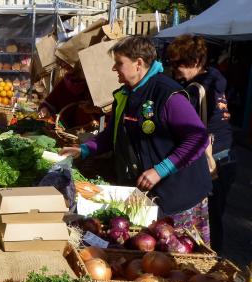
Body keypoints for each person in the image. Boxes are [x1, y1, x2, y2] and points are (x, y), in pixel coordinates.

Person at [61, 36, 213, 243]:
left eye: (119, 62)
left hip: (180, 194)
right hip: (149, 193)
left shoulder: (167, 94)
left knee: (179, 258)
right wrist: (84, 150)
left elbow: (198, 137)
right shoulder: (125, 95)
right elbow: (113, 134)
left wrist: (161, 170)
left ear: (138, 63)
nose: (115, 68)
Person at [166, 35, 236, 252]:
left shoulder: (195, 90)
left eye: (180, 63)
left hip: (213, 160)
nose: (175, 68)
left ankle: (213, 266)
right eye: (172, 62)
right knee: (215, 216)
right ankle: (215, 259)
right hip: (227, 156)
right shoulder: (213, 76)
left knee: (210, 217)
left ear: (196, 62)